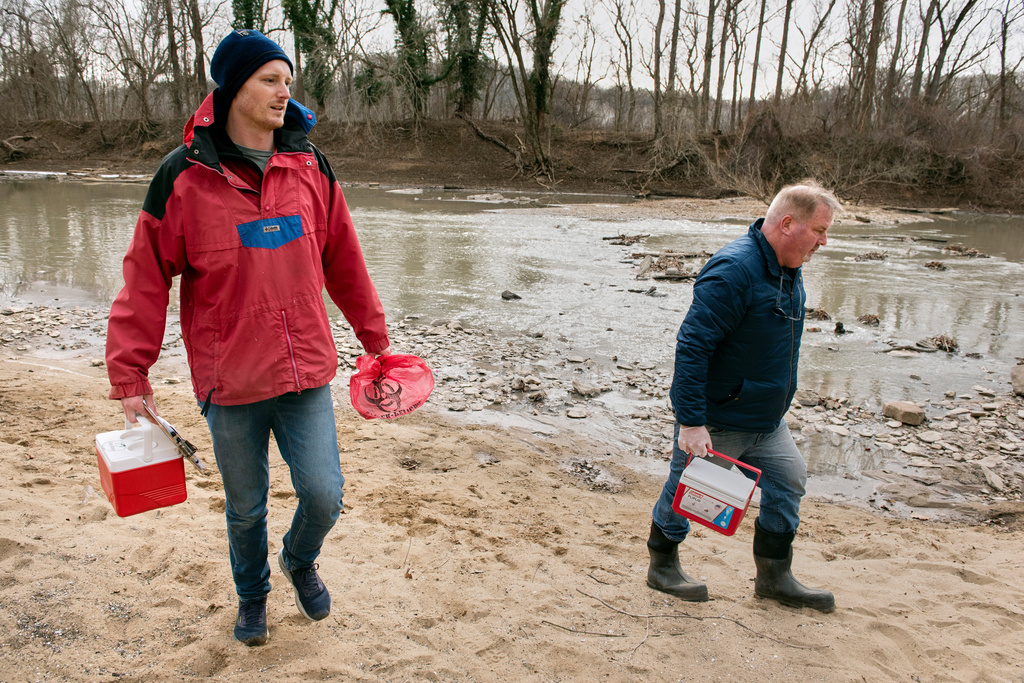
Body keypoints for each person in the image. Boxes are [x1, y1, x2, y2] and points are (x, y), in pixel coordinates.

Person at [105, 29, 392, 646]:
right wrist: (131, 376)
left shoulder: (310, 164)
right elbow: (145, 280)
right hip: (229, 378)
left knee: (324, 494)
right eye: (270, 79)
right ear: (233, 87)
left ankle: (298, 559)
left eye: (288, 80)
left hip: (305, 370)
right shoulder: (182, 177)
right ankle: (253, 598)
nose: (284, 91)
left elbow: (344, 258)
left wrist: (377, 340)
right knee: (246, 509)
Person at [646, 182, 840, 613]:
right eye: (820, 230)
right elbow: (692, 346)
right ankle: (662, 566)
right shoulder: (734, 270)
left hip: (767, 421)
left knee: (789, 482)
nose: (824, 241)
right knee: (686, 495)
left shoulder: (788, 266)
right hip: (719, 419)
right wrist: (692, 422)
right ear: (788, 224)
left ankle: (775, 576)